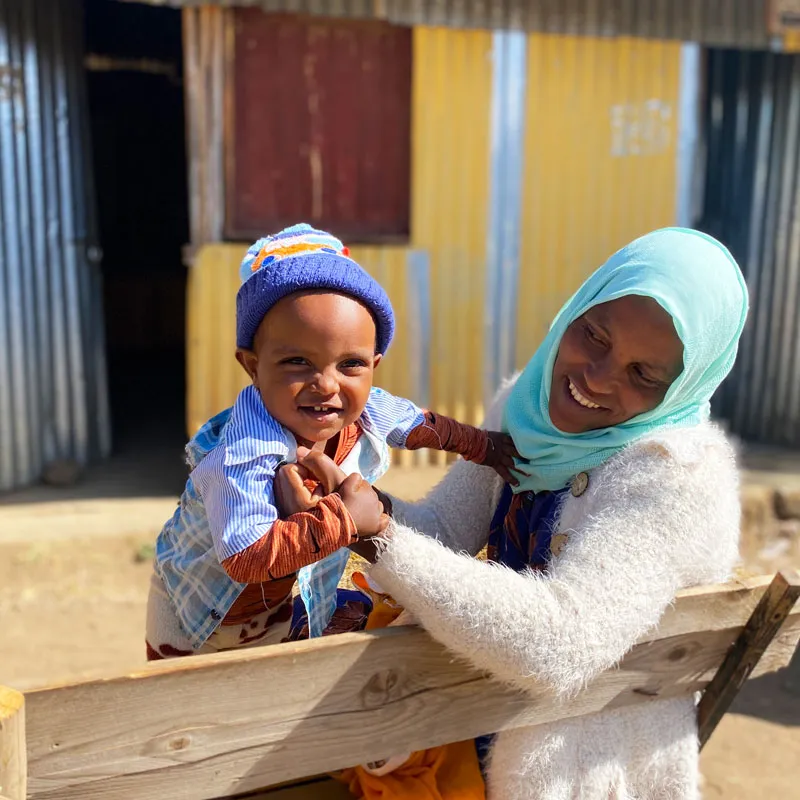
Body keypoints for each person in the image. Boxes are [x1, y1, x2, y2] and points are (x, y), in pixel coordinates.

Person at [277, 228, 749, 799]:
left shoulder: (673, 475)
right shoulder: (527, 411)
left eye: (644, 374)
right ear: (576, 310)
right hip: (465, 753)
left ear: (685, 385)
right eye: (594, 335)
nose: (596, 378)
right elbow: (446, 530)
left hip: (580, 780)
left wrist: (381, 539)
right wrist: (351, 507)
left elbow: (564, 641)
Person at [145, 223, 519, 661]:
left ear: (374, 365)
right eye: (297, 362)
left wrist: (490, 448)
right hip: (202, 623)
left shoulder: (365, 406)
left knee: (368, 622)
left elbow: (424, 426)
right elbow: (246, 557)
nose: (326, 384)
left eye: (351, 363)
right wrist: (345, 517)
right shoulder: (243, 455)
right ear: (252, 366)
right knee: (209, 711)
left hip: (288, 605)